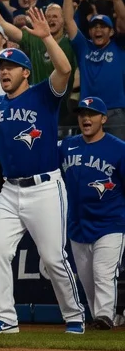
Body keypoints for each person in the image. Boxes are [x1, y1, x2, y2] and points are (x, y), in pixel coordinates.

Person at [0, 9, 86, 335]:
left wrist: (47, 37)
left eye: (9, 67)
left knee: (52, 258)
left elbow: (64, 69)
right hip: (11, 190)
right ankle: (6, 319)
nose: (3, 71)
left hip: (45, 187)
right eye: (0, 67)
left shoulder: (43, 94)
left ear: (26, 72)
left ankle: (75, 315)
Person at [58, 98, 125, 331]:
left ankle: (105, 316)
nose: (86, 119)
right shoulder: (67, 146)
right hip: (78, 225)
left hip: (110, 223)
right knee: (88, 283)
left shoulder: (118, 148)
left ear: (104, 119)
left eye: (92, 114)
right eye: (82, 114)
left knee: (102, 274)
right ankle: (103, 319)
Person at [63, 0, 125, 139]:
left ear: (111, 32)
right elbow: (69, 21)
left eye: (103, 26)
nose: (98, 29)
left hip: (115, 111)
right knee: (90, 154)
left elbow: (123, 18)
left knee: (118, 156)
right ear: (89, 32)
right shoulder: (83, 47)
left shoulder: (120, 45)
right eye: (94, 27)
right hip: (88, 111)